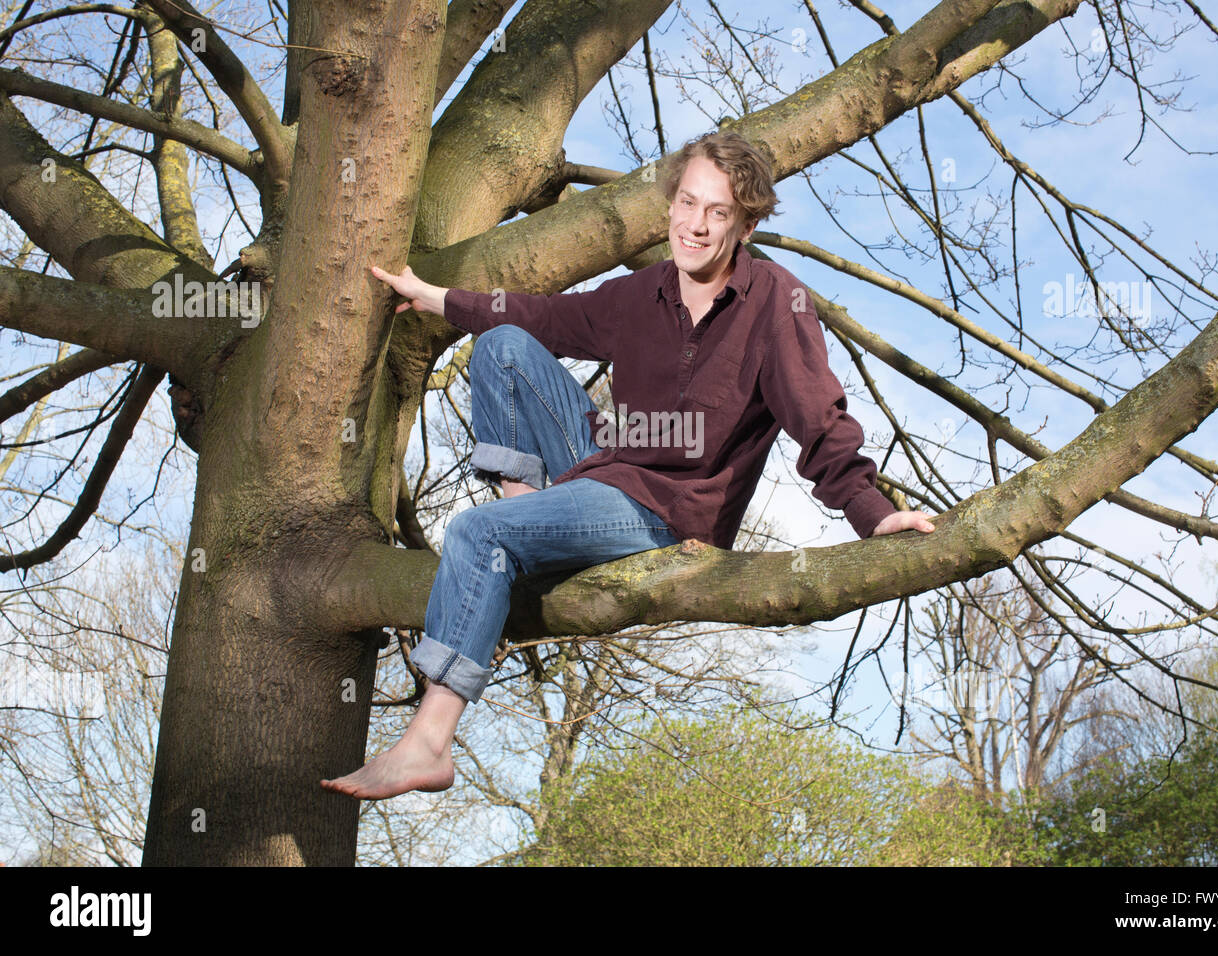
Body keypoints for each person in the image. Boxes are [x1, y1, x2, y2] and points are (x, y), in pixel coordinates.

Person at [320, 131, 935, 800]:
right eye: (687, 203)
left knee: (475, 534)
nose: (695, 225)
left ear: (747, 224)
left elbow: (820, 422)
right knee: (502, 346)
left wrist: (873, 514)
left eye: (717, 212)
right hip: (608, 470)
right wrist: (443, 299)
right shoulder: (643, 292)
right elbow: (545, 317)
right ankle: (524, 514)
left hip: (671, 513)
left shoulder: (776, 306)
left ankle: (428, 742)